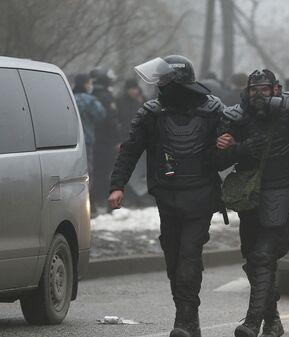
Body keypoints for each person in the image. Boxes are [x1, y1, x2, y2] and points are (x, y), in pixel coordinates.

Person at [108, 55, 231, 337]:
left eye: (165, 80)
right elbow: (130, 150)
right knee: (174, 260)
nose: (160, 85)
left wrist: (228, 144)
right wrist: (118, 185)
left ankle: (184, 321)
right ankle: (189, 317)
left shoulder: (212, 110)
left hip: (200, 199)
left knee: (189, 258)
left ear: (177, 81)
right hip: (168, 198)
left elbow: (226, 155)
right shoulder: (152, 112)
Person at [216, 69, 289, 337]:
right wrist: (240, 147)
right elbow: (217, 159)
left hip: (282, 191)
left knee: (263, 256)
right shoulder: (237, 117)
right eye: (254, 89)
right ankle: (273, 320)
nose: (259, 95)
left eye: (265, 89)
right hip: (250, 197)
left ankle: (252, 322)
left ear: (276, 90)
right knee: (252, 258)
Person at [72, 73, 107, 211]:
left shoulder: (69, 97)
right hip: (87, 140)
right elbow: (101, 114)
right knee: (88, 173)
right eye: (89, 83)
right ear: (85, 84)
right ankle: (88, 205)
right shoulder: (89, 100)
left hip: (70, 141)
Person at [90, 67, 122, 213]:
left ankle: (94, 202)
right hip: (106, 142)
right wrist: (117, 139)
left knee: (95, 173)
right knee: (106, 173)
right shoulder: (106, 96)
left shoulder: (91, 95)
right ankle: (105, 203)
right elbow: (111, 121)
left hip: (94, 141)